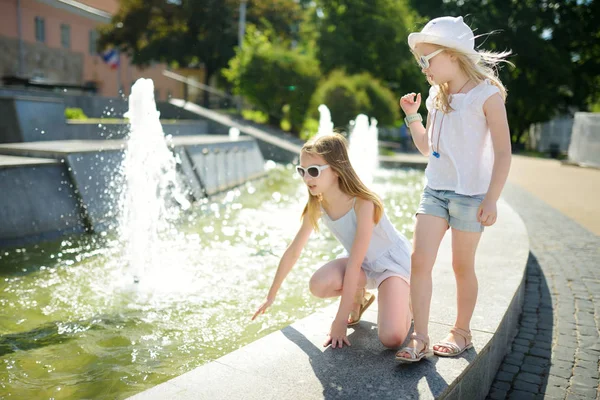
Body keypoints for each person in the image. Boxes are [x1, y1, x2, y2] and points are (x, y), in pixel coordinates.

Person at [395, 16, 512, 362]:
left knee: (462, 266)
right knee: (419, 261)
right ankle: (419, 336)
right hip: (435, 191)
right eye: (421, 61)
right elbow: (427, 147)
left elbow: (504, 152)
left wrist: (491, 198)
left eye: (427, 59)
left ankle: (461, 331)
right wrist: (413, 116)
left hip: (471, 196)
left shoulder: (487, 96)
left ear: (453, 55)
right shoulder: (435, 96)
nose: (423, 67)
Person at [252, 133, 412, 349]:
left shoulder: (363, 203)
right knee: (318, 285)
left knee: (391, 339)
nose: (307, 178)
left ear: (336, 169)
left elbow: (354, 263)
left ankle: (407, 303)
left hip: (390, 265)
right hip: (361, 265)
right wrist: (270, 296)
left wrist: (340, 321)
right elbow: (293, 251)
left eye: (314, 171)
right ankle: (360, 297)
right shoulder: (317, 205)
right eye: (302, 171)